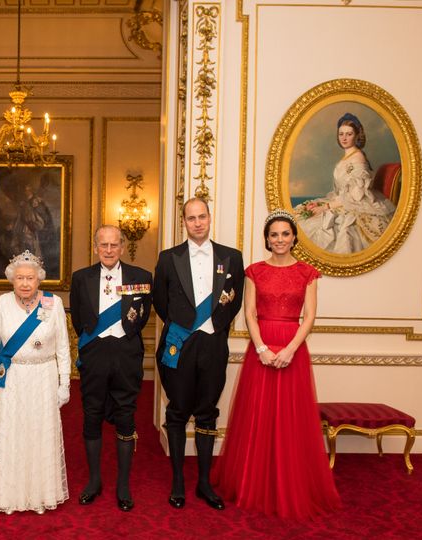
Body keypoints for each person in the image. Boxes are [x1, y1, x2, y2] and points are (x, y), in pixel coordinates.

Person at [215, 209, 341, 518]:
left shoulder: (307, 273)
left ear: (294, 237)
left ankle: (289, 483)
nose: (280, 239)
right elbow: (250, 314)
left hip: (292, 347)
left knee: (290, 418)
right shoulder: (254, 271)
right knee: (258, 416)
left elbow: (310, 317)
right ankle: (254, 483)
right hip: (262, 348)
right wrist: (260, 348)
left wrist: (290, 350)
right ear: (267, 240)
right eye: (274, 235)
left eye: (285, 234)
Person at [152, 197, 244, 510]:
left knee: (207, 411)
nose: (197, 223)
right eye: (191, 218)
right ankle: (178, 480)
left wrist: (212, 327)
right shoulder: (168, 258)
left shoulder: (232, 257)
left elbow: (235, 302)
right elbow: (161, 302)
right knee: (177, 411)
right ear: (184, 222)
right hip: (180, 342)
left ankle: (204, 482)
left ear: (209, 217)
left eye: (202, 216)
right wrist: (185, 326)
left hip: (213, 344)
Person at [69, 225, 152, 511]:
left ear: (121, 246)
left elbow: (141, 318)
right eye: (103, 245)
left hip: (127, 355)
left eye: (113, 245)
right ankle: (94, 481)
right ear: (95, 247)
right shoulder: (81, 279)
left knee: (126, 418)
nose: (108, 250)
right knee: (91, 416)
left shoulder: (141, 278)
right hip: (94, 356)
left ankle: (123, 485)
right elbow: (78, 320)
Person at [0, 250, 71, 514]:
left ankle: (41, 494)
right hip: (11, 379)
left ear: (39, 280)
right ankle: (11, 495)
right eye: (19, 278)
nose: (24, 283)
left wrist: (64, 382)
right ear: (11, 279)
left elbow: (63, 347)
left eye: (29, 278)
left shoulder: (52, 303)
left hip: (43, 376)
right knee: (12, 434)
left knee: (41, 432)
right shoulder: (2, 303)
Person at [293, 113, 397, 254]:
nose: (344, 138)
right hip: (342, 201)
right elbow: (341, 191)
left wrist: (327, 207)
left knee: (322, 228)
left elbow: (355, 195)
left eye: (349, 134)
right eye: (341, 134)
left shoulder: (358, 158)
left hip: (356, 206)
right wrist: (325, 204)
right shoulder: (348, 156)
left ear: (356, 136)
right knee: (301, 217)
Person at [10, 183, 54, 263]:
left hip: (32, 231)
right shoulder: (23, 203)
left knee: (32, 249)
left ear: (31, 191)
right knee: (21, 248)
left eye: (28, 190)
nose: (26, 192)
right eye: (25, 191)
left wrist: (31, 223)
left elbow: (41, 219)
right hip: (24, 231)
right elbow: (19, 218)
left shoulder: (36, 202)